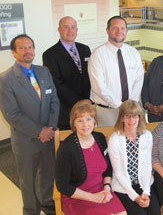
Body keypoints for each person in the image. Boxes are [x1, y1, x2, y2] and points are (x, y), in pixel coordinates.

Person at [0, 34, 59, 215]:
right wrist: (39, 131)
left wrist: (49, 128)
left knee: (48, 174)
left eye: (30, 47)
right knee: (27, 181)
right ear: (13, 52)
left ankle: (48, 202)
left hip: (48, 137)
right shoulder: (6, 79)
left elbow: (54, 101)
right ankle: (31, 210)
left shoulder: (43, 72)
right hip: (26, 141)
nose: (28, 51)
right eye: (22, 48)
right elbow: (12, 114)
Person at [55, 100, 126, 215]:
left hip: (102, 191)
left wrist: (107, 188)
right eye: (80, 120)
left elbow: (108, 169)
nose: (85, 124)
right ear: (74, 123)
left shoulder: (100, 139)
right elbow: (62, 185)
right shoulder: (66, 148)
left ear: (94, 121)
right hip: (78, 198)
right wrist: (93, 198)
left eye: (88, 119)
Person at [88, 15, 144, 127]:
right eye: (115, 28)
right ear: (107, 31)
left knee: (132, 142)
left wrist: (130, 104)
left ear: (127, 31)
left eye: (122, 28)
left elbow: (139, 79)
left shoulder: (134, 53)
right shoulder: (98, 54)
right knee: (109, 143)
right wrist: (120, 105)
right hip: (107, 112)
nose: (119, 31)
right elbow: (98, 86)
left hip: (132, 111)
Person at [108, 100, 160, 215]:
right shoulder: (115, 139)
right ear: (121, 118)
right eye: (127, 116)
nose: (131, 120)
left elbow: (147, 166)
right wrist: (135, 197)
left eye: (135, 116)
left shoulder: (146, 136)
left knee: (155, 212)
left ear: (140, 117)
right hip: (123, 187)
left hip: (144, 183)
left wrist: (146, 192)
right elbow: (119, 173)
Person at [43, 16, 91, 130]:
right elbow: (57, 83)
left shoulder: (85, 49)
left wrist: (90, 99)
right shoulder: (50, 54)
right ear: (59, 30)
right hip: (68, 109)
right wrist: (79, 102)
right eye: (66, 27)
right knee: (70, 143)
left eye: (73, 27)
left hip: (88, 106)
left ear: (77, 30)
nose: (70, 31)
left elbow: (91, 75)